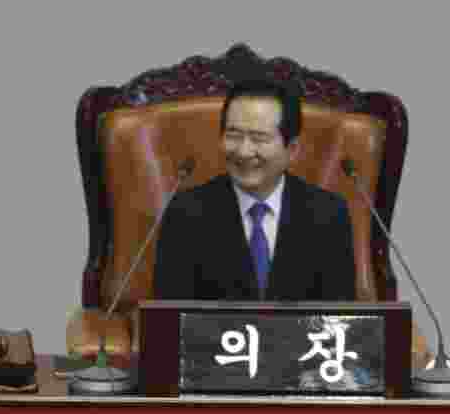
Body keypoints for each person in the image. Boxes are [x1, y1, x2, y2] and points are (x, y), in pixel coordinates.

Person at [152, 79, 356, 302]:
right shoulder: (185, 213)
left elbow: (340, 319)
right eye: (233, 135)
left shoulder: (328, 214)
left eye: (259, 138)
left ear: (292, 149)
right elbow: (171, 319)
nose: (244, 151)